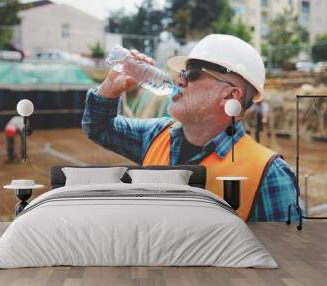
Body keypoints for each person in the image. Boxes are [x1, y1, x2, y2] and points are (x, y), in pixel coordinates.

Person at [81, 34, 299, 222]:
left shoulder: (269, 174)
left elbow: (290, 257)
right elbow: (99, 127)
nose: (180, 80)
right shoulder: (155, 135)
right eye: (182, 73)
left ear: (231, 95)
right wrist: (109, 89)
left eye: (192, 73)